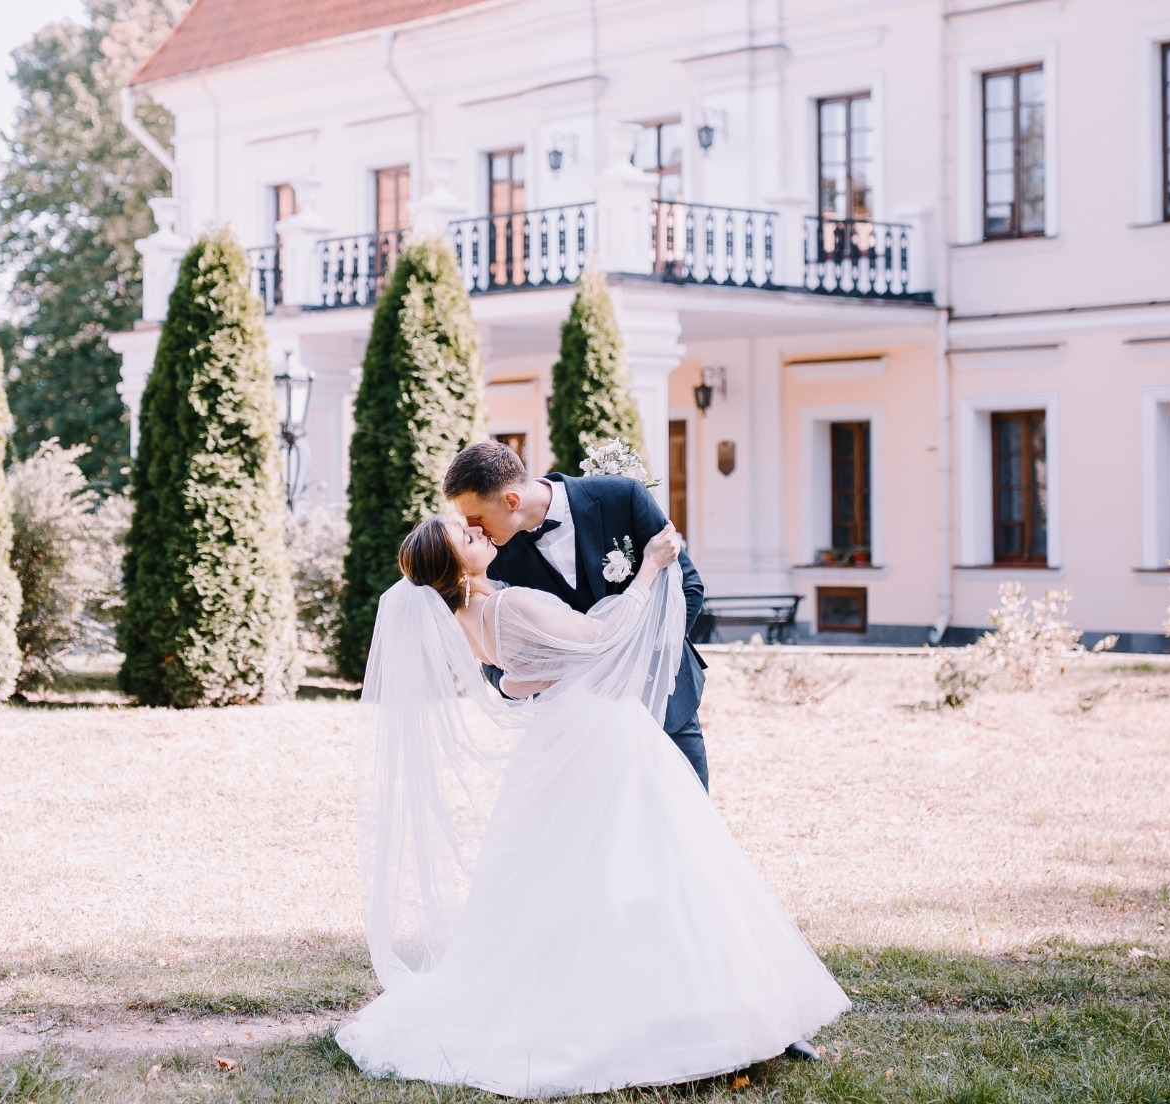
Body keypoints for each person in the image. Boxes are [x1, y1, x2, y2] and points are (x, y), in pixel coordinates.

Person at [335, 515, 848, 1098]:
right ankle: (679, 1013)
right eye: (466, 539)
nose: (477, 532)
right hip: (597, 729)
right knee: (656, 856)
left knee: (571, 874)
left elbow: (515, 684)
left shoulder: (470, 620)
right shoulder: (508, 607)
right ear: (457, 569)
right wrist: (650, 571)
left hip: (556, 736)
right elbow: (601, 641)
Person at [443, 441, 712, 787]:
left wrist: (639, 661)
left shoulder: (621, 497)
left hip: (665, 694)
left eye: (475, 517)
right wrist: (513, 685)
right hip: (581, 725)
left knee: (688, 820)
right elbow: (495, 657)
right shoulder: (494, 557)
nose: (474, 529)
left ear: (511, 501)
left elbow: (687, 588)